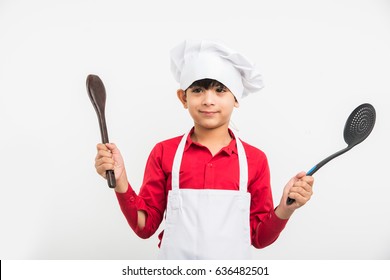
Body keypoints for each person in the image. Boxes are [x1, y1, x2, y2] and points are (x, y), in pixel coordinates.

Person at [94, 40, 314, 260]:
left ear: (236, 97)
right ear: (183, 97)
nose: (209, 100)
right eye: (198, 90)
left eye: (220, 90)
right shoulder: (163, 152)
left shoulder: (255, 160)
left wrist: (286, 208)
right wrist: (121, 181)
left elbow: (258, 237)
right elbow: (145, 227)